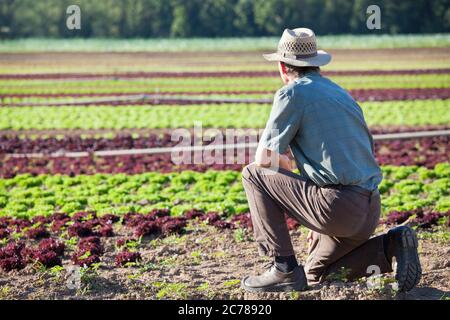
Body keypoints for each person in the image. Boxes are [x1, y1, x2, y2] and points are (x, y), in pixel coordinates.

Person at [240, 28, 422, 292]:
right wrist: (308, 197)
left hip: (336, 207)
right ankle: (390, 245)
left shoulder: (291, 93)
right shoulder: (340, 93)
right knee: (316, 274)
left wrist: (298, 198)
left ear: (282, 67)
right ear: (316, 64)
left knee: (253, 174)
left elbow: (265, 158)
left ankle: (283, 269)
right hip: (369, 208)